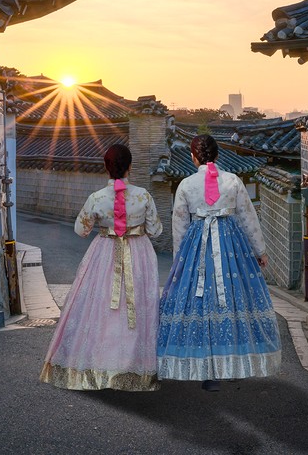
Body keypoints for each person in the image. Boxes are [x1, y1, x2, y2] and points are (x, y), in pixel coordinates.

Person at [157, 134, 281, 390]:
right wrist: (260, 250)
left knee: (200, 304)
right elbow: (248, 217)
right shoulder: (233, 181)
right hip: (231, 248)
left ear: (193, 156)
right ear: (217, 155)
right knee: (234, 301)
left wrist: (180, 260)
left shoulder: (186, 185)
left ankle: (206, 369)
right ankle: (233, 364)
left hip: (196, 249)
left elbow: (179, 224)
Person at [40, 144, 164, 391]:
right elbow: (156, 230)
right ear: (130, 166)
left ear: (106, 167)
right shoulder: (144, 196)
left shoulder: (96, 198)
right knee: (137, 307)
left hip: (105, 252)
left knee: (101, 308)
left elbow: (81, 230)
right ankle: (135, 367)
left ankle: (97, 365)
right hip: (138, 254)